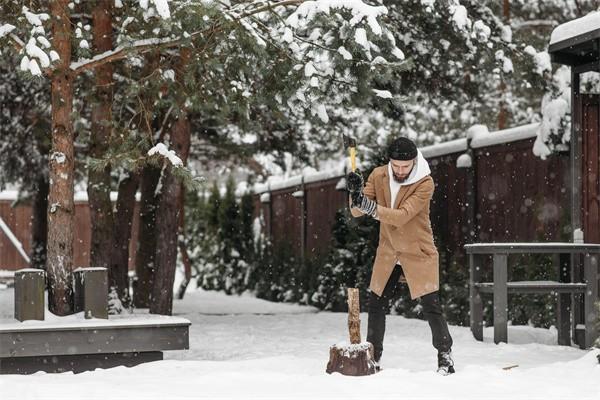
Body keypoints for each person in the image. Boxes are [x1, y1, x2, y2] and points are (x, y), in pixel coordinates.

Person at [346, 137, 455, 375]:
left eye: (405, 166)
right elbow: (356, 211)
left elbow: (401, 216)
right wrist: (354, 192)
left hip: (418, 250)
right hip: (389, 251)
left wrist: (367, 205)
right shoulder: (378, 175)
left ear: (414, 162)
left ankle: (445, 356)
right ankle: (373, 358)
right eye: (396, 166)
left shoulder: (425, 183)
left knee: (431, 307)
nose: (400, 170)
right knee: (376, 305)